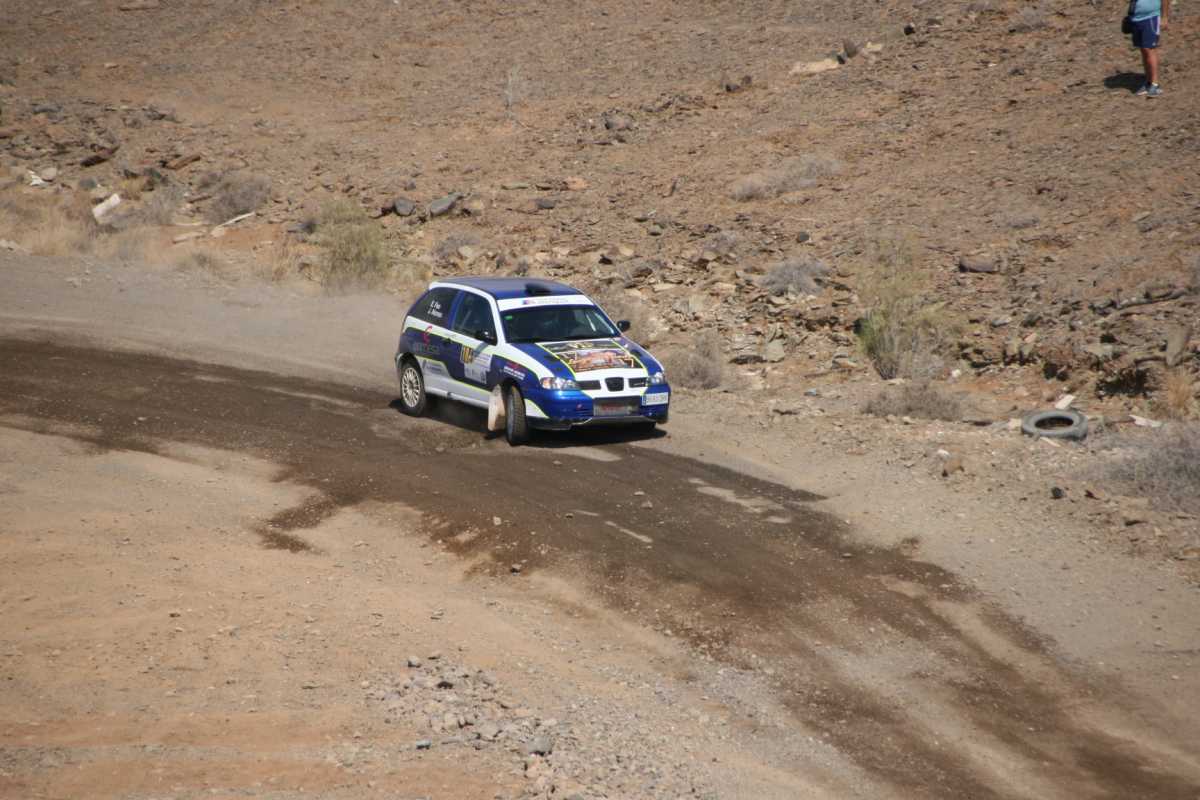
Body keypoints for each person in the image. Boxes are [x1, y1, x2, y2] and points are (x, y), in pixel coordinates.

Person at [1128, 0, 1170, 96]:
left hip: (1151, 17)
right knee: (1143, 50)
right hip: (1136, 18)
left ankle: (1155, 84)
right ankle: (1148, 82)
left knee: (1149, 49)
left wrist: (1164, 16)